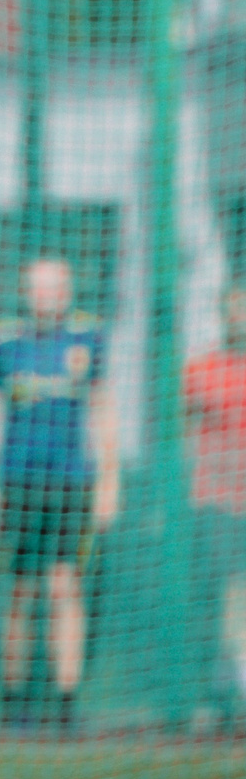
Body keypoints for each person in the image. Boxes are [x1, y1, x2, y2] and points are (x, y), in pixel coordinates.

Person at [0, 256, 120, 732]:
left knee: (64, 587)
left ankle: (65, 702)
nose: (48, 295)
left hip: (71, 483)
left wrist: (109, 481)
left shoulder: (88, 339)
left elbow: (102, 411)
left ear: (69, 289)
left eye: (56, 286)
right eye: (38, 287)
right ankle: (13, 701)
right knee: (20, 591)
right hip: (16, 483)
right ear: (25, 291)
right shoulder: (5, 342)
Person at [181, 285, 246, 726]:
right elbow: (186, 436)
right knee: (225, 596)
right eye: (233, 311)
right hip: (218, 503)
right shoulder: (202, 369)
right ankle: (225, 689)